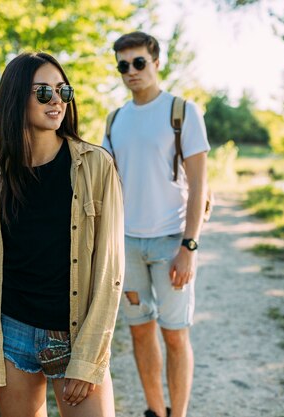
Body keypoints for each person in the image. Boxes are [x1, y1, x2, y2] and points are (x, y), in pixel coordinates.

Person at [0, 52, 124, 417]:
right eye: (44, 92)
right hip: (11, 336)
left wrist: (88, 358)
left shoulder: (95, 166)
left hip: (75, 336)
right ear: (17, 98)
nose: (58, 101)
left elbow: (111, 271)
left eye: (64, 91)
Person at [102, 32, 210, 417]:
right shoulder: (115, 120)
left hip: (170, 244)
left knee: (175, 335)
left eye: (138, 62)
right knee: (140, 332)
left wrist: (189, 247)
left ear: (156, 62)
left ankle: (176, 414)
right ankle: (155, 411)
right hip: (127, 246)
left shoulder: (181, 112)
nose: (130, 71)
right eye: (123, 65)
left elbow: (200, 185)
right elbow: (107, 184)